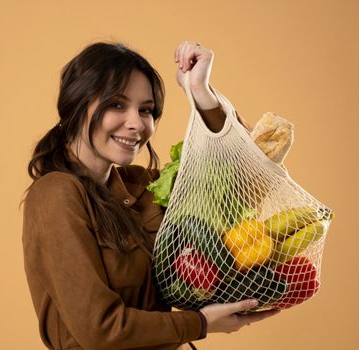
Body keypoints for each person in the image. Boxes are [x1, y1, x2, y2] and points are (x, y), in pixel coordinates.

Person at [21, 40, 280, 350]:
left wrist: (200, 92)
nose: (136, 124)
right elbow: (100, 329)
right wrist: (201, 323)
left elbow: (242, 182)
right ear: (77, 105)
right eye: (117, 104)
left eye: (146, 110)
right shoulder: (55, 193)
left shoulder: (141, 187)